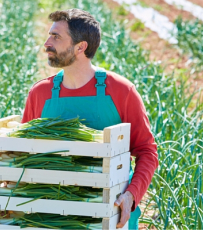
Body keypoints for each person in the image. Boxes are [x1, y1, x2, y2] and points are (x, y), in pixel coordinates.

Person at [22, 8, 158, 229]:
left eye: (56, 36)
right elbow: (23, 152)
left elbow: (146, 151)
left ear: (80, 47)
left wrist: (131, 196)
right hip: (52, 215)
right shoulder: (40, 93)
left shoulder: (121, 91)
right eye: (49, 35)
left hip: (110, 213)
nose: (47, 43)